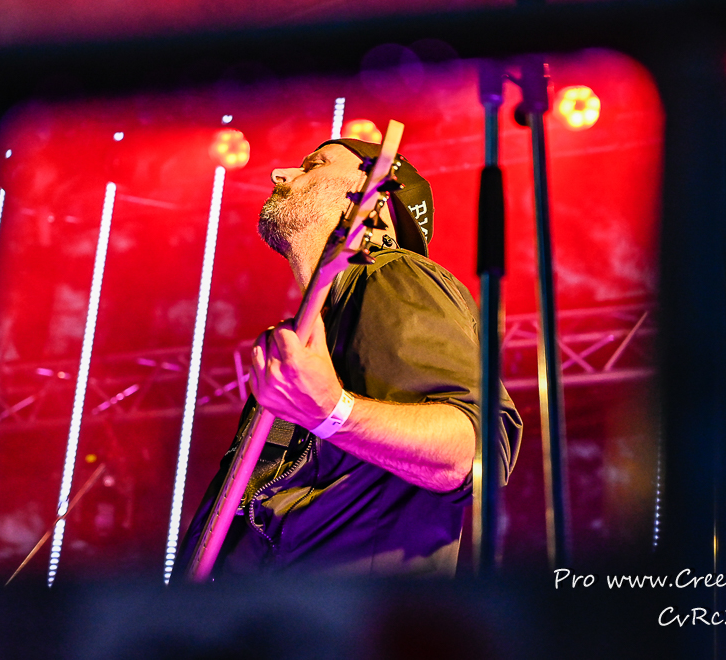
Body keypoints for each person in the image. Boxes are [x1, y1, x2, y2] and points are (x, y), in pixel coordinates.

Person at [177, 137, 522, 578]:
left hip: (347, 612)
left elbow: (475, 450)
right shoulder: (315, 331)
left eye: (314, 164)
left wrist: (332, 412)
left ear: (372, 196)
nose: (279, 174)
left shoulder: (394, 274)